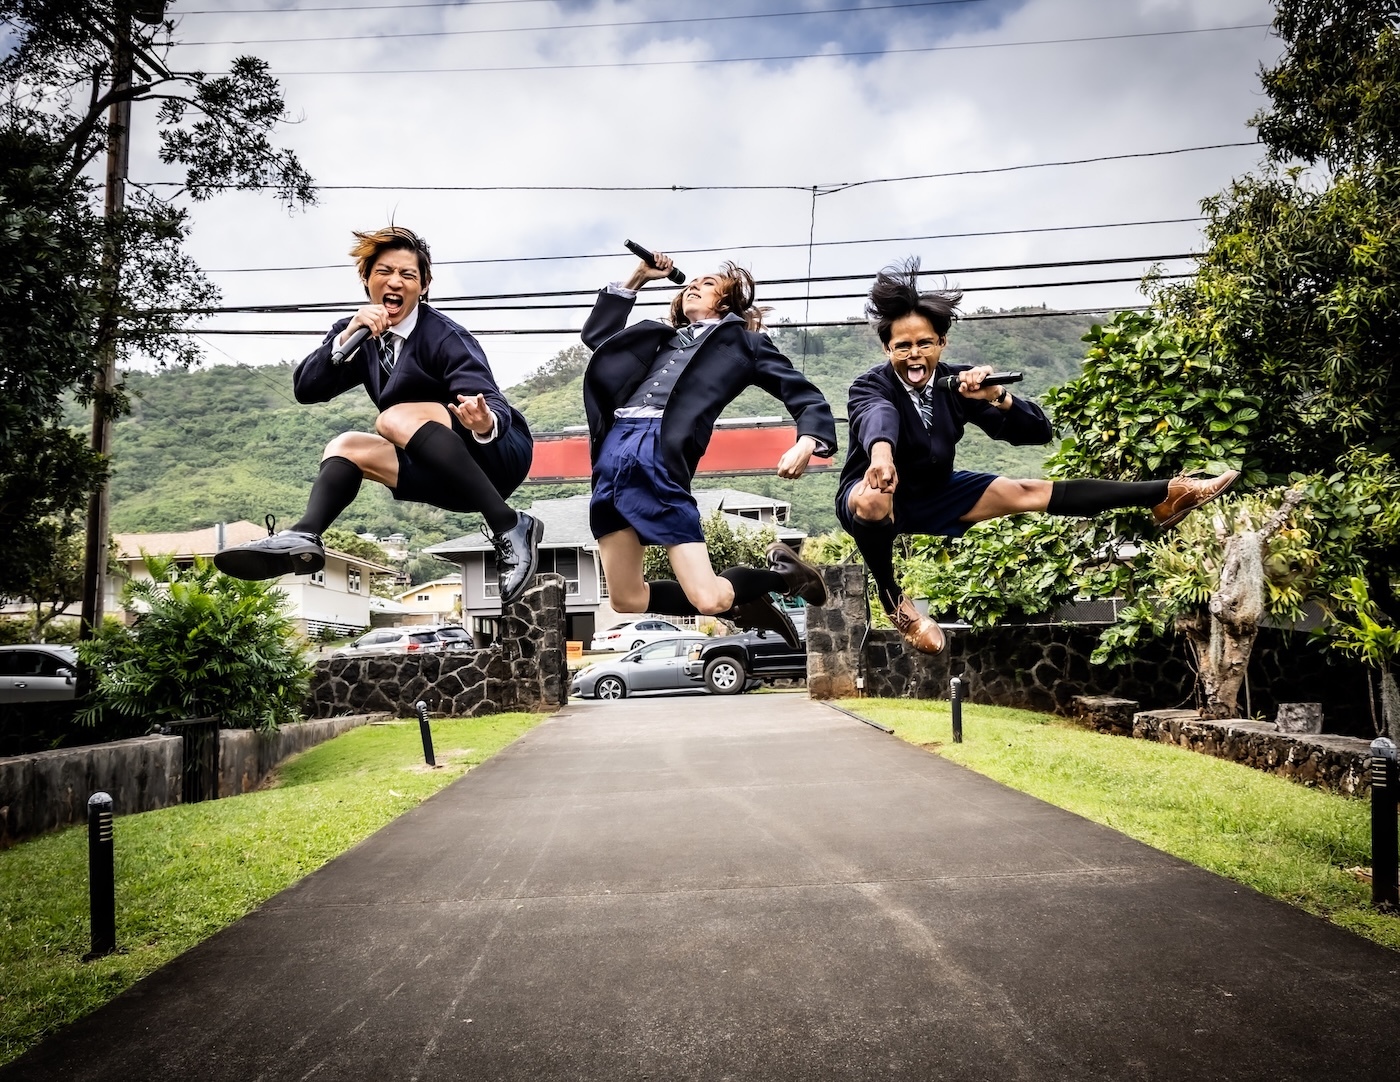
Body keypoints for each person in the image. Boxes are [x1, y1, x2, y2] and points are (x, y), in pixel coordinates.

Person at [838, 257, 1239, 655]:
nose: (914, 354)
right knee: (875, 496)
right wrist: (881, 454)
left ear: (942, 343)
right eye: (902, 346)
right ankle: (895, 603)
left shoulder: (958, 383)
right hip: (872, 488)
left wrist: (996, 397)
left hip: (935, 489)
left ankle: (1165, 496)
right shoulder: (869, 385)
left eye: (924, 343)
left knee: (1028, 490)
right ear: (888, 348)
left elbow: (1038, 432)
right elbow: (878, 415)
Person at [215, 226, 542, 607]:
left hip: (494, 456)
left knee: (391, 419)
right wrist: (349, 333)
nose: (396, 282)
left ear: (423, 286)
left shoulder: (445, 336)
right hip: (447, 478)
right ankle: (306, 534)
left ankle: (509, 525)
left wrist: (484, 423)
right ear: (367, 279)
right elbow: (307, 389)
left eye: (408, 275)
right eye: (385, 271)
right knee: (345, 445)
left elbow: (488, 398)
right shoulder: (359, 334)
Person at [581, 253, 839, 648]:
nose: (692, 286)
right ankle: (742, 602)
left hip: (659, 455)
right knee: (626, 599)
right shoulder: (657, 338)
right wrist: (638, 277)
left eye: (706, 283)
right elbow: (598, 338)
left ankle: (784, 578)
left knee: (709, 597)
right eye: (690, 283)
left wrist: (807, 442)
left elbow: (803, 395)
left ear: (726, 300)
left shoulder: (743, 343)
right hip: (612, 453)